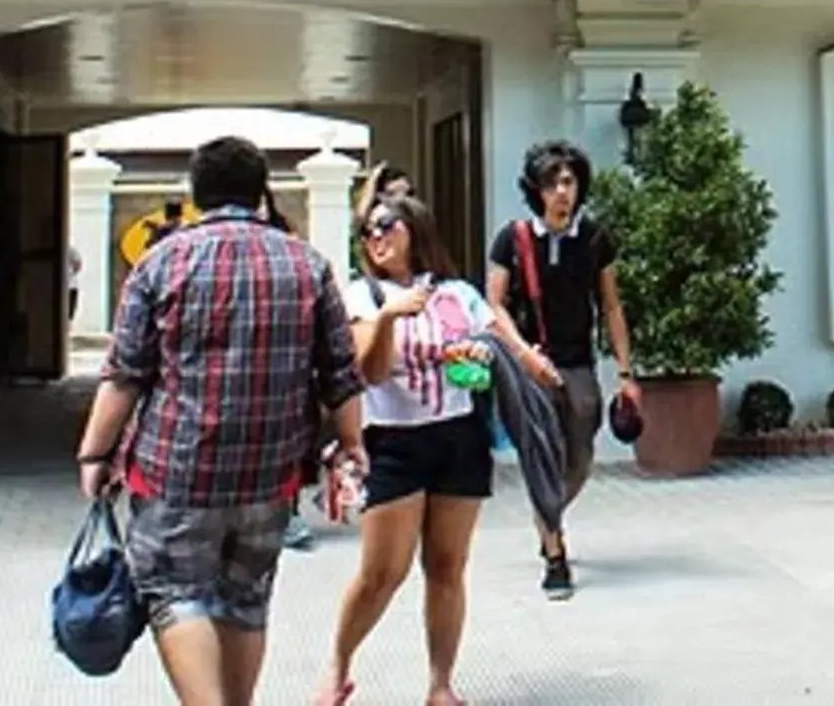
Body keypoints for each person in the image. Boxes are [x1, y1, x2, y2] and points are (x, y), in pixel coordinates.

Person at [77, 136, 365, 706]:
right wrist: (352, 446)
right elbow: (341, 373)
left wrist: (94, 453)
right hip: (271, 475)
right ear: (262, 191)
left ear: (194, 192)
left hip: (177, 474)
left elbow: (125, 373)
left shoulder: (162, 262)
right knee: (245, 596)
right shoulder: (307, 264)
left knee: (174, 593)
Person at [320, 195, 560, 706]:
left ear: (416, 229)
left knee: (447, 565)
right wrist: (388, 319)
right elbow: (372, 372)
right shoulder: (362, 296)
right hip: (394, 441)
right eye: (367, 231)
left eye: (386, 226)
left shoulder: (456, 294)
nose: (376, 238)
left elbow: (496, 342)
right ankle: (338, 666)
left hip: (458, 435)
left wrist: (511, 358)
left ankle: (441, 684)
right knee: (383, 572)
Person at [484, 138, 639, 599]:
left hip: (578, 365)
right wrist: (524, 355)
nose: (561, 191)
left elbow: (610, 307)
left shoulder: (594, 239)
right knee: (541, 454)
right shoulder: (512, 239)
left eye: (569, 181)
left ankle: (547, 513)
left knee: (580, 457)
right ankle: (555, 554)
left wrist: (627, 374)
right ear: (536, 189)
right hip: (529, 365)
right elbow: (494, 303)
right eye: (552, 183)